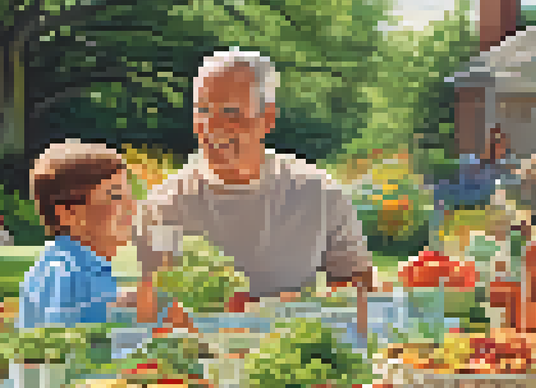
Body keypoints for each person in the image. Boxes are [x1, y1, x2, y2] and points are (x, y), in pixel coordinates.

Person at [134, 49, 374, 322]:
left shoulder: (319, 193)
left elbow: (358, 289)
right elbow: (155, 308)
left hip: (291, 351)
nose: (212, 126)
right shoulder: (163, 207)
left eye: (231, 112)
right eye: (202, 110)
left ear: (267, 118)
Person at [18, 141, 138, 329]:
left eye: (129, 195)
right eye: (115, 196)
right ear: (68, 214)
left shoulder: (73, 265)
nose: (132, 206)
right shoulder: (65, 273)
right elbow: (63, 346)